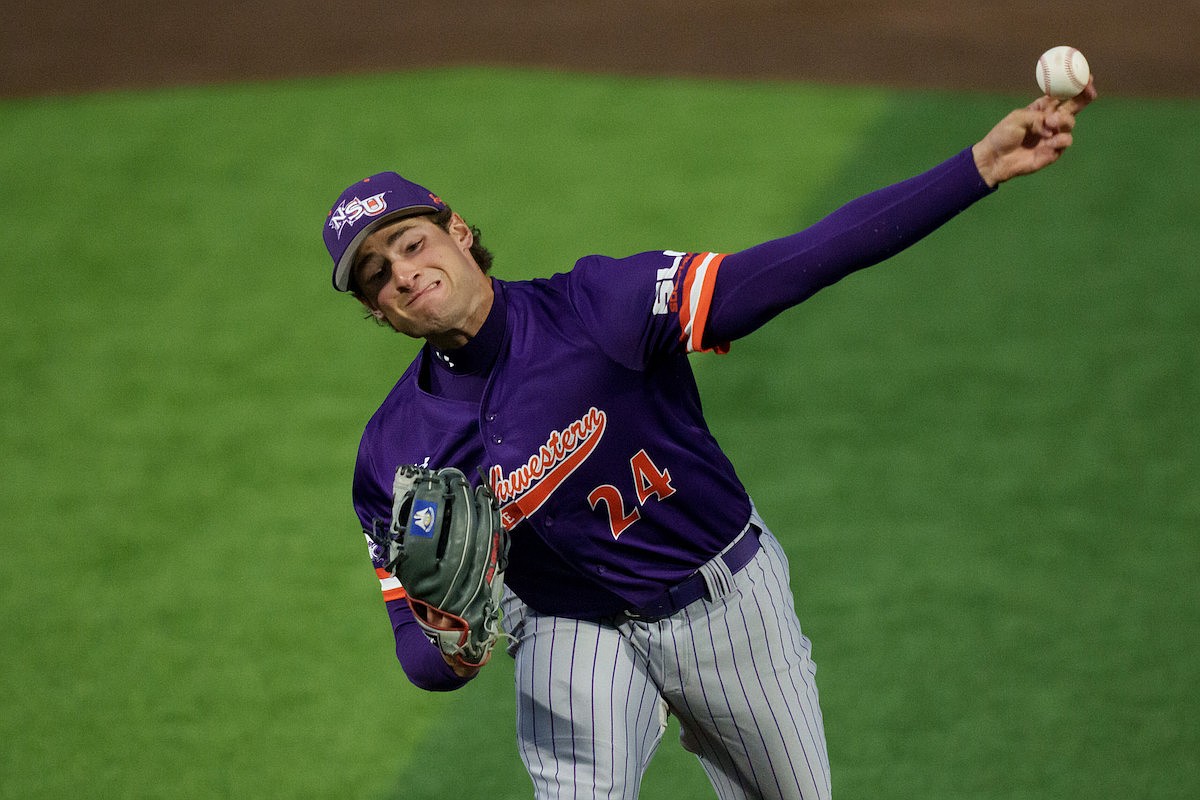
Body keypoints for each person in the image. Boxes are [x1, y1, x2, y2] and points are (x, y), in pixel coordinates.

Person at [322, 83, 1096, 800]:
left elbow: (793, 265)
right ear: (378, 312)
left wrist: (976, 169)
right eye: (377, 275)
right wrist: (451, 644)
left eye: (414, 242)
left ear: (457, 232)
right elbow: (416, 649)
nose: (403, 273)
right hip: (572, 627)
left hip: (722, 600)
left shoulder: (599, 307)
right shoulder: (394, 454)